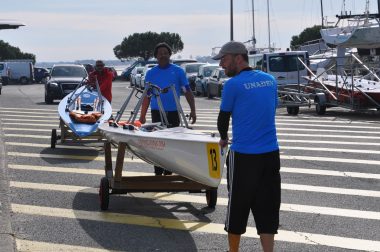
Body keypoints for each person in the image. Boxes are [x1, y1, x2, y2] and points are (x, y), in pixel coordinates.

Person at [214, 41, 281, 252]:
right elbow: (271, 109)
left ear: (237, 58)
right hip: (271, 153)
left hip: (244, 156)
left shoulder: (233, 85)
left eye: (224, 60)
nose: (222, 65)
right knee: (268, 206)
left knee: (238, 206)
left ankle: (233, 251)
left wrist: (224, 138)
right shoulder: (270, 80)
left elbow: (223, 119)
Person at [139, 42, 197, 175]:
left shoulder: (178, 71)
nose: (163, 55)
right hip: (156, 112)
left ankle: (169, 170)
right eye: (160, 53)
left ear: (170, 55)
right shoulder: (151, 73)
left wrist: (193, 110)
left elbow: (187, 91)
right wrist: (142, 115)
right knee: (157, 143)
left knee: (171, 143)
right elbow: (147, 96)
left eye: (166, 53)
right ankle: (158, 171)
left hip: (173, 112)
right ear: (156, 56)